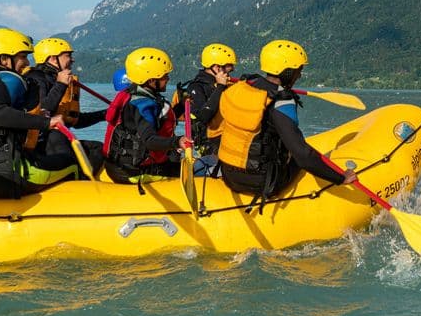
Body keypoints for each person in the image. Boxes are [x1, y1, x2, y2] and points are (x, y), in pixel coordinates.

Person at [218, 39, 356, 204]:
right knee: (299, 157)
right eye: (298, 70)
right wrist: (340, 177)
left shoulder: (244, 86)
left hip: (228, 174)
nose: (300, 74)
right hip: (259, 182)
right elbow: (303, 157)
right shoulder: (281, 101)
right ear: (288, 72)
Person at [0, 28, 81, 198]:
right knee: (71, 163)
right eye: (22, 57)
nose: (27, 63)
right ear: (5, 59)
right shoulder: (9, 78)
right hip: (3, 171)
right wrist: (47, 123)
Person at [102, 47, 190, 184]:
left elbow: (160, 120)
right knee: (192, 171)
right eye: (164, 76)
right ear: (150, 81)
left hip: (122, 166)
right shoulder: (142, 105)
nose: (168, 78)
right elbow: (149, 141)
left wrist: (181, 105)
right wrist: (177, 141)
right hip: (131, 172)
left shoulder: (135, 95)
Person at [25, 37, 107, 175]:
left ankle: (86, 184)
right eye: (68, 55)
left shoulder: (56, 79)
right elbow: (43, 110)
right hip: (43, 142)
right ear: (52, 58)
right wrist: (61, 84)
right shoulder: (36, 78)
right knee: (59, 141)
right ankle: (72, 182)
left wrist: (105, 114)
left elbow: (74, 120)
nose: (72, 59)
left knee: (98, 149)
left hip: (57, 137)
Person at [183, 43, 237, 176]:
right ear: (217, 67)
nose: (230, 72)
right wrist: (220, 87)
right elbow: (204, 116)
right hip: (211, 145)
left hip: (229, 140)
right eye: (227, 70)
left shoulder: (227, 85)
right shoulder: (196, 88)